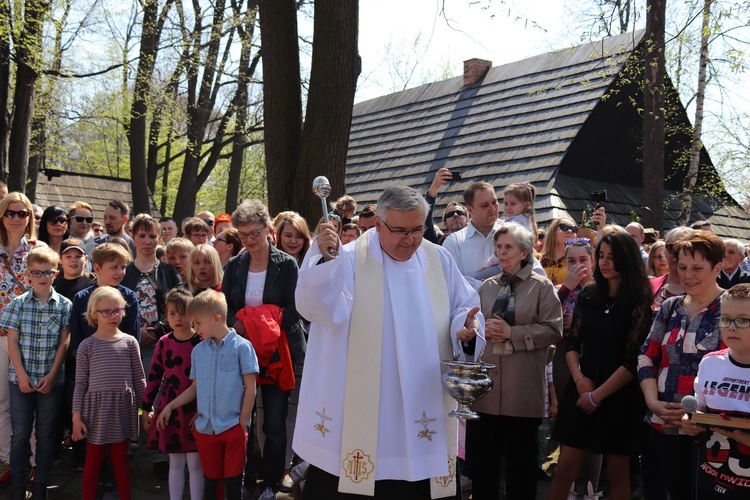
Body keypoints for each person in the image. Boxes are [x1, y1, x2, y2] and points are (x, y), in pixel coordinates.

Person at [294, 186, 485, 499]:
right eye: (399, 230)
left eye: (417, 230)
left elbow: (464, 309)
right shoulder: (350, 259)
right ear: (379, 224)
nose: (409, 240)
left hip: (423, 402)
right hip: (361, 411)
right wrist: (322, 258)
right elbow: (318, 310)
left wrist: (465, 329)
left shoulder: (439, 260)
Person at [549, 231, 653, 500]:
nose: (604, 262)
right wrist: (581, 380)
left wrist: (597, 396)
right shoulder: (588, 295)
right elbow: (571, 344)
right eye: (601, 256)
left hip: (620, 391)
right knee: (563, 470)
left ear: (627, 260)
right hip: (583, 383)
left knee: (618, 473)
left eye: (612, 257)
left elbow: (633, 360)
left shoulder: (640, 301)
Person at [469, 222, 562, 499]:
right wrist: (470, 330)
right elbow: (474, 327)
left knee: (521, 469)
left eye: (508, 247)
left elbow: (554, 331)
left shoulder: (542, 287)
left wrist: (514, 333)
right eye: (498, 246)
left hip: (522, 392)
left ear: (524, 252)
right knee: (484, 468)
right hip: (487, 392)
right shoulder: (487, 287)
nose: (501, 252)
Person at [222, 200, 307, 499]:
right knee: (241, 418)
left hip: (277, 353)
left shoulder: (287, 264)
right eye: (242, 235)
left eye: (254, 233)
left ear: (268, 229)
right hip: (242, 351)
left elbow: (297, 308)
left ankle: (271, 482)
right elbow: (227, 308)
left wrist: (262, 322)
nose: (249, 241)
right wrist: (239, 321)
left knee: (274, 421)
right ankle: (242, 479)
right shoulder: (234, 265)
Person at [637, 230, 726, 499]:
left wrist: (699, 413)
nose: (688, 275)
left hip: (711, 429)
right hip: (663, 422)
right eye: (683, 266)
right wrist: (653, 403)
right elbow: (646, 357)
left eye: (697, 268)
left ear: (717, 268)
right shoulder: (670, 307)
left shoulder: (733, 309)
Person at [156, 290, 258, 500]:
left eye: (197, 323)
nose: (194, 328)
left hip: (232, 427)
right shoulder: (199, 351)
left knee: (233, 482)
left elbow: (251, 387)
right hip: (206, 429)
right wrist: (170, 406)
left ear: (216, 318)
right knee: (211, 483)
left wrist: (243, 422)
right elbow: (195, 388)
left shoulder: (243, 347)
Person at [3, 247, 72, 500]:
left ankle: (41, 484)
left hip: (50, 379)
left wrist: (53, 375)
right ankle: (18, 487)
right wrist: (20, 375)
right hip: (20, 378)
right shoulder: (17, 304)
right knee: (20, 433)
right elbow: (12, 342)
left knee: (45, 433)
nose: (42, 277)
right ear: (28, 274)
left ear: (56, 273)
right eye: (36, 272)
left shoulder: (65, 305)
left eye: (48, 272)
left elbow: (65, 342)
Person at [72, 286, 145, 500]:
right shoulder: (87, 346)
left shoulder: (130, 342)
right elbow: (80, 384)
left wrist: (147, 410)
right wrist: (76, 417)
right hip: (95, 410)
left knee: (120, 458)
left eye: (117, 310)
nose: (113, 316)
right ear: (94, 314)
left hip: (122, 409)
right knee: (93, 458)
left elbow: (139, 379)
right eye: (106, 311)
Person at [681, 283, 750, 498]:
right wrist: (688, 421)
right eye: (726, 319)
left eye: (743, 320)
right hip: (710, 479)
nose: (731, 327)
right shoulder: (710, 363)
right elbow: (697, 407)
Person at [551, 238, 603, 496]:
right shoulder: (559, 289)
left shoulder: (604, 290)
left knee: (594, 422)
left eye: (583, 260)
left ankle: (590, 488)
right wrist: (565, 291)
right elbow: (544, 320)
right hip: (563, 357)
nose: (577, 265)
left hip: (594, 360)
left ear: (593, 262)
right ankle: (568, 486)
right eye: (571, 260)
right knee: (569, 421)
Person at [142, 288, 204, 500]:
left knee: (195, 463)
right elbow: (154, 378)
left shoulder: (202, 342)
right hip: (171, 409)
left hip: (197, 407)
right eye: (172, 313)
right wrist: (146, 408)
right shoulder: (164, 342)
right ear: (166, 315)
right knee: (175, 462)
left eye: (183, 313)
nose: (178, 318)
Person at [0, 192, 45, 485]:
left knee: (30, 399)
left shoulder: (39, 250)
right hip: (0, 336)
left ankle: (32, 462)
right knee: (2, 399)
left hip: (32, 337)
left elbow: (46, 292)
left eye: (23, 213)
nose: (17, 218)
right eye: (11, 213)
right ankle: (7, 460)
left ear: (30, 217)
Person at [442, 182, 501, 290]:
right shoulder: (453, 243)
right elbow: (449, 281)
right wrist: (488, 287)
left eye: (495, 202)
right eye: (484, 205)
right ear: (470, 209)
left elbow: (532, 270)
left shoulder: (513, 233)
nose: (492, 208)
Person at [650, 227, 693, 312]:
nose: (677, 254)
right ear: (665, 252)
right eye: (671, 248)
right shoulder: (650, 286)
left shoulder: (709, 290)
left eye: (684, 248)